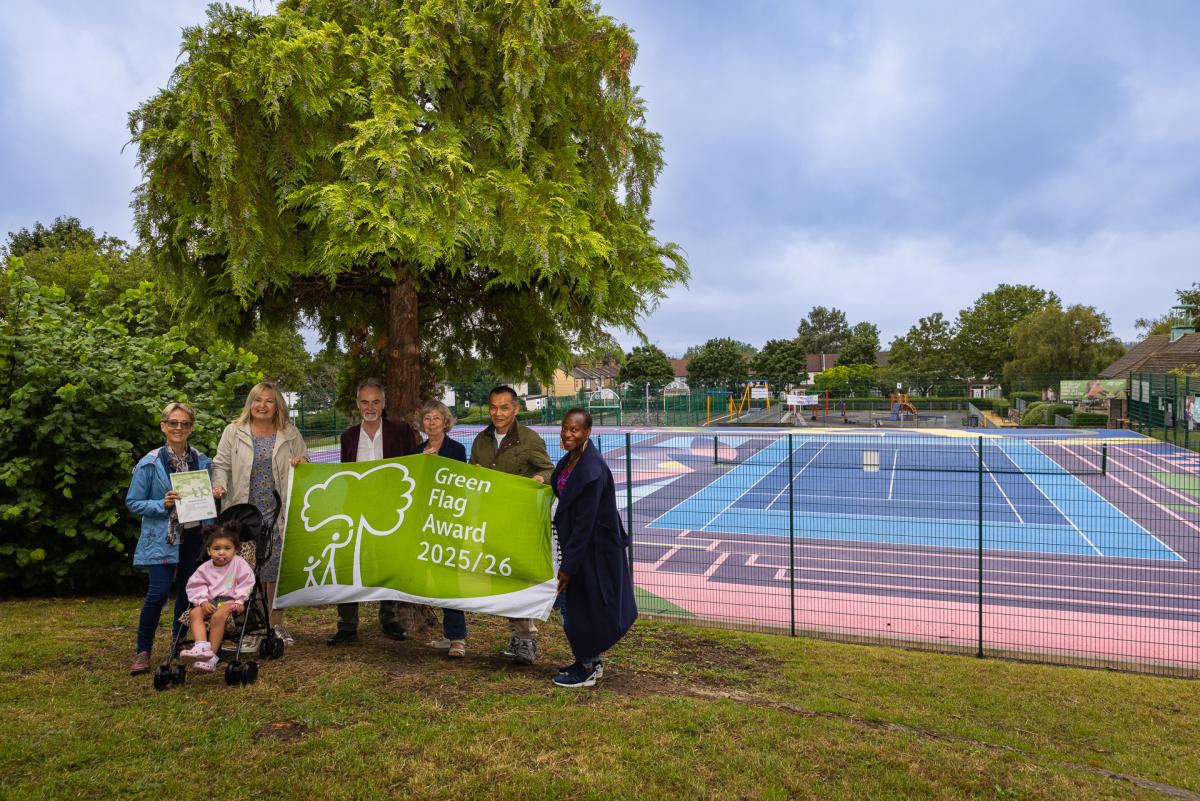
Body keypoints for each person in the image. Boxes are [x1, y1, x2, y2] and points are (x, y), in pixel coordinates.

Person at [327, 378, 422, 646]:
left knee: (388, 563)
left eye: (376, 401)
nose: (370, 407)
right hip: (354, 510)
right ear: (358, 405)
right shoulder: (347, 437)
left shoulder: (401, 431)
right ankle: (347, 625)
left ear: (384, 403)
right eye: (365, 402)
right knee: (347, 564)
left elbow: (415, 465)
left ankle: (389, 619)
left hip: (391, 510)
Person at [211, 381, 307, 645]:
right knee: (244, 570)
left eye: (269, 401)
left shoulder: (289, 432)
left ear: (277, 406)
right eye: (257, 400)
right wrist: (218, 484)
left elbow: (305, 463)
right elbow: (220, 464)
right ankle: (250, 627)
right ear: (250, 403)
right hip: (242, 512)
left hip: (277, 513)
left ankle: (275, 625)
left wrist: (302, 462)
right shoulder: (234, 431)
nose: (262, 406)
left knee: (273, 570)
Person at [125, 402, 217, 675]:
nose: (179, 428)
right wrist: (161, 504)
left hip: (194, 535)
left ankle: (179, 641)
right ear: (163, 426)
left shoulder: (202, 461)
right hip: (162, 537)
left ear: (191, 428)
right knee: (158, 592)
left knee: (189, 592)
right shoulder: (150, 463)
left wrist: (216, 493)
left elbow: (209, 494)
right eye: (173, 423)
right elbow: (133, 502)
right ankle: (143, 650)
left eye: (185, 424)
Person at [549, 408, 637, 688]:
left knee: (573, 606)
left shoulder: (592, 470)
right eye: (565, 428)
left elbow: (585, 524)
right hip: (579, 547)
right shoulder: (573, 460)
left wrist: (568, 567)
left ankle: (585, 667)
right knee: (578, 605)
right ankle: (589, 660)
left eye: (575, 430)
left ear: (588, 432)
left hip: (593, 550)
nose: (567, 434)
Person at [469, 386, 554, 665]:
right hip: (490, 522)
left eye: (504, 407)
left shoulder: (529, 439)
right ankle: (518, 638)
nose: (498, 413)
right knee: (502, 578)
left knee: (519, 578)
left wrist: (539, 480)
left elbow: (549, 470)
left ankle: (527, 639)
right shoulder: (480, 441)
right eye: (493, 407)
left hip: (519, 523)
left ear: (516, 409)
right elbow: (471, 474)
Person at [418, 400, 470, 658]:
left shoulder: (456, 450)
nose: (431, 423)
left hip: (450, 524)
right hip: (426, 523)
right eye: (427, 418)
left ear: (445, 421)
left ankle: (459, 638)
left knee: (450, 578)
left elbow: (460, 486)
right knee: (436, 580)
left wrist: (436, 465)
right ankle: (448, 635)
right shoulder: (416, 451)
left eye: (436, 418)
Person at [178, 521, 256, 672]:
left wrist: (240, 600)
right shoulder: (205, 568)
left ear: (236, 550)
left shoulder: (239, 564)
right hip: (210, 602)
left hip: (230, 602)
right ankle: (201, 646)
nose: (221, 552)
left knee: (218, 616)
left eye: (227, 548)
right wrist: (202, 601)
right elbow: (196, 585)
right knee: (194, 613)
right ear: (208, 551)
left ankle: (211, 656)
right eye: (216, 549)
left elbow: (246, 582)